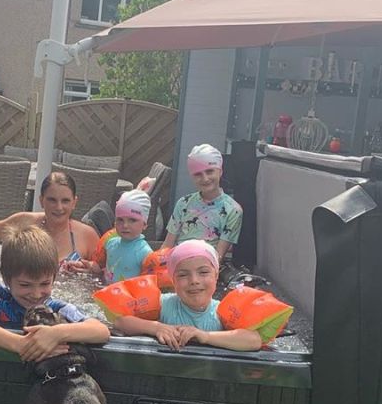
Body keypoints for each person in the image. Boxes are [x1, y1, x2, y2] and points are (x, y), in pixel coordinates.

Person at [0, 225, 110, 361]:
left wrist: (56, 334)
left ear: (54, 278)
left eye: (45, 284)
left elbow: (101, 330)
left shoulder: (55, 308)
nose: (36, 294)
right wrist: (21, 345)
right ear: (7, 279)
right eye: (25, 285)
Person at [113, 240, 261, 352]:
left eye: (203, 272)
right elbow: (120, 322)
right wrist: (156, 327)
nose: (194, 281)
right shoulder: (164, 305)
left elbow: (254, 340)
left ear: (216, 276)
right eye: (183, 275)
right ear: (173, 280)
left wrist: (205, 336)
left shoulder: (221, 312)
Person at [162, 143, 243, 263]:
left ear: (220, 171)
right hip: (176, 266)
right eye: (198, 174)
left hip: (206, 268)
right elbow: (167, 246)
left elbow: (218, 257)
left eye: (210, 171)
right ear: (192, 176)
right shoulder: (183, 203)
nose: (205, 178)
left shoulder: (233, 210)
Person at [73, 189, 153, 283]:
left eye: (132, 220)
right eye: (120, 220)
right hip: (107, 293)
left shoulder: (145, 253)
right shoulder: (111, 243)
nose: (125, 225)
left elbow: (147, 284)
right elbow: (104, 268)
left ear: (144, 224)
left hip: (130, 296)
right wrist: (88, 265)